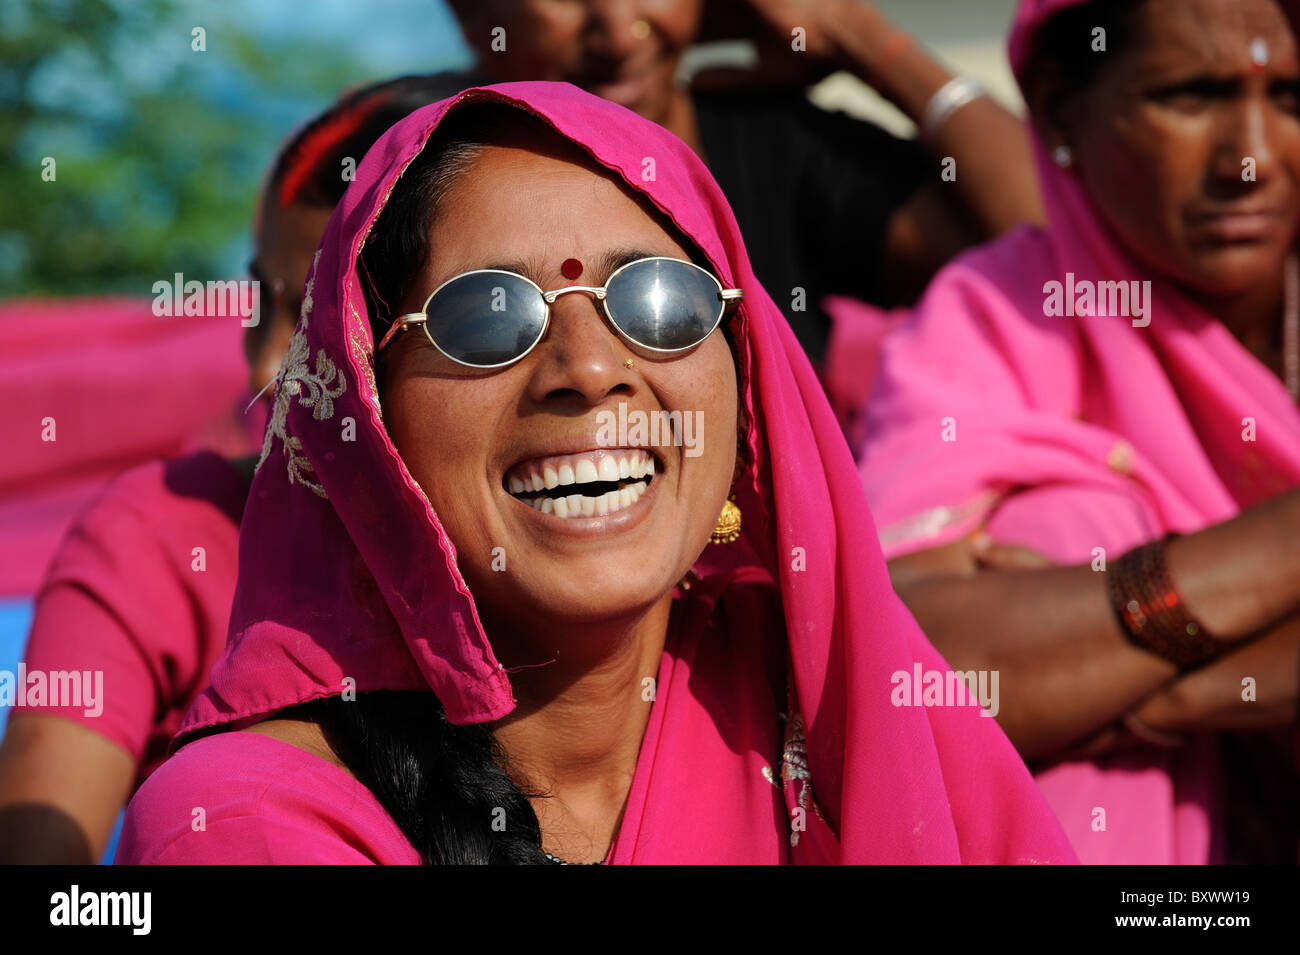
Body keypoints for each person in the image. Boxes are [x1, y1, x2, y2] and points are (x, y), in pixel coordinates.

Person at [115, 81, 1077, 865]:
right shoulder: (249, 826)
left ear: (745, 373)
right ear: (372, 418)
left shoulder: (844, 711)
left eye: (660, 299)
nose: (590, 366)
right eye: (487, 314)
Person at [857, 0, 1300, 863]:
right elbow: (914, 665)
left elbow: (1019, 675)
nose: (1250, 160)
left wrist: (1129, 678)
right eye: (1191, 95)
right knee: (1069, 521)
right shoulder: (998, 318)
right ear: (1061, 109)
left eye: (1292, 96)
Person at [0, 75, 463, 864]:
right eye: (265, 300)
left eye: (326, 307)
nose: (273, 357)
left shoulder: (576, 553)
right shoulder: (161, 531)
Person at [445, 0, 1044, 365]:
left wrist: (862, 38)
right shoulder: (417, 172)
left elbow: (1049, 260)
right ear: (472, 16)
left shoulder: (774, 145)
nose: (622, 33)